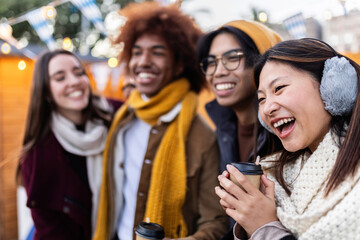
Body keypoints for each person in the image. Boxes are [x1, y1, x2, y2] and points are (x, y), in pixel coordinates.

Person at [93, 2, 228, 240]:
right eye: (136, 52)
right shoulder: (122, 119)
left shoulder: (202, 135)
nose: (143, 61)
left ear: (178, 65)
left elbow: (214, 223)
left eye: (157, 52)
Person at [215, 38, 360, 240]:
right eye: (261, 99)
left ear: (333, 86)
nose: (267, 108)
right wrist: (246, 225)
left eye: (279, 88)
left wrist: (265, 228)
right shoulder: (272, 175)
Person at [16, 49, 121, 240]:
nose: (74, 82)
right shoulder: (38, 157)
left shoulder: (117, 117)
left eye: (79, 72)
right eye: (60, 77)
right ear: (46, 91)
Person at [196, 20, 283, 237]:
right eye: (211, 62)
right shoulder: (220, 129)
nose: (218, 72)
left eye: (232, 58)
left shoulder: (286, 131)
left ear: (264, 62)